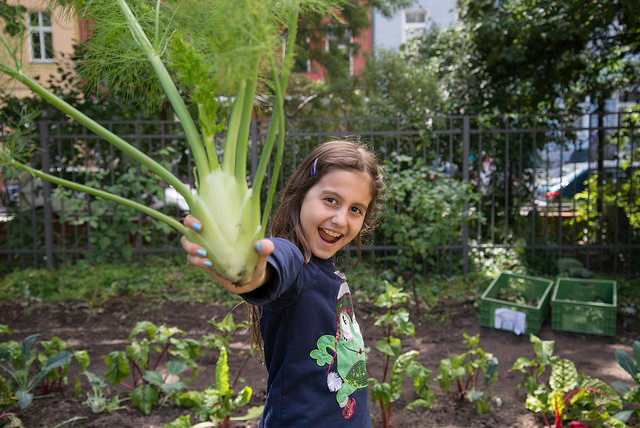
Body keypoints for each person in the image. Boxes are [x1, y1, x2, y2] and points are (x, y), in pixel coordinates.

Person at [180, 140, 385, 427]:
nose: (340, 219)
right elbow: (269, 269)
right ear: (301, 195)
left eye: (356, 210)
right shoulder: (293, 260)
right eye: (331, 200)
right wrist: (248, 274)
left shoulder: (326, 270)